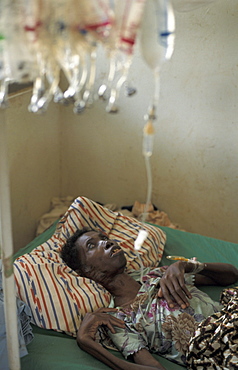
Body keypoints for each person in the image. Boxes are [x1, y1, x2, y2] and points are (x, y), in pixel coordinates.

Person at [60, 227, 238, 370]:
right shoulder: (118, 319)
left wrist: (187, 265)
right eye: (92, 246)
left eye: (104, 238)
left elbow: (230, 276)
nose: (106, 242)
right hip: (215, 349)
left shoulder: (157, 273)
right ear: (84, 271)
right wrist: (86, 342)